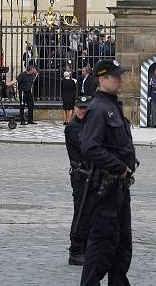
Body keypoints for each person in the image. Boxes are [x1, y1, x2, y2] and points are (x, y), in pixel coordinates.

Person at [80, 59, 137, 286]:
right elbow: (89, 146)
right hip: (106, 189)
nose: (120, 79)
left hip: (119, 189)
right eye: (116, 76)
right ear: (102, 79)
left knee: (123, 246)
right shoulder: (98, 109)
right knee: (103, 247)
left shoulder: (113, 106)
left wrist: (129, 161)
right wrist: (119, 166)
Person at [66, 95, 93, 265]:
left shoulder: (89, 125)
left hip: (91, 175)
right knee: (81, 212)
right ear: (75, 108)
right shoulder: (73, 128)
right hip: (81, 175)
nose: (82, 110)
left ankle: (86, 247)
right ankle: (75, 250)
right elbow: (87, 149)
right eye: (80, 107)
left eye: (85, 108)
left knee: (90, 212)